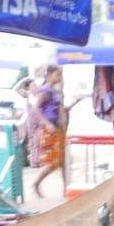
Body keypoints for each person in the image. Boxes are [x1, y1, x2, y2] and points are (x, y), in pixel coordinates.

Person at [27, 65, 85, 199]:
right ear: (50, 75)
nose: (60, 77)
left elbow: (63, 110)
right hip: (50, 129)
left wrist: (75, 103)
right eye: (57, 75)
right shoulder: (45, 91)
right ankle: (37, 183)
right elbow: (35, 109)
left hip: (58, 128)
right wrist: (47, 123)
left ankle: (66, 189)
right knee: (56, 162)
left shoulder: (55, 91)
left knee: (63, 161)